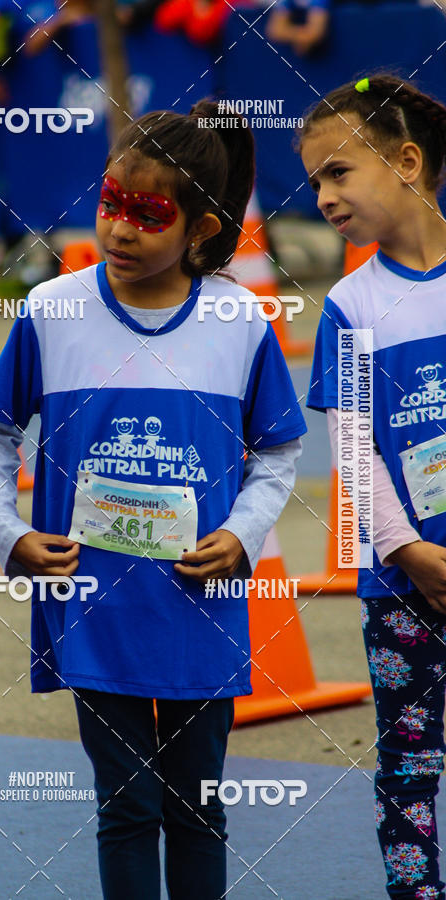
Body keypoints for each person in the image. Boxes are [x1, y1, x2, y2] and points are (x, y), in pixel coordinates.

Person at [0, 98, 306, 899]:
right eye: (112, 202)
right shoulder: (51, 310)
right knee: (127, 806)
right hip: (94, 611)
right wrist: (7, 531)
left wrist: (246, 534)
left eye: (149, 213)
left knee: (198, 811)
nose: (120, 228)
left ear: (202, 228)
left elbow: (281, 451)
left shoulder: (240, 321)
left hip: (202, 610)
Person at [302, 74, 446, 899]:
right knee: (409, 766)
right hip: (403, 586)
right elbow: (354, 447)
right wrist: (409, 550)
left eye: (339, 172)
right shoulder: (351, 307)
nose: (323, 195)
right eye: (315, 179)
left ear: (407, 162)